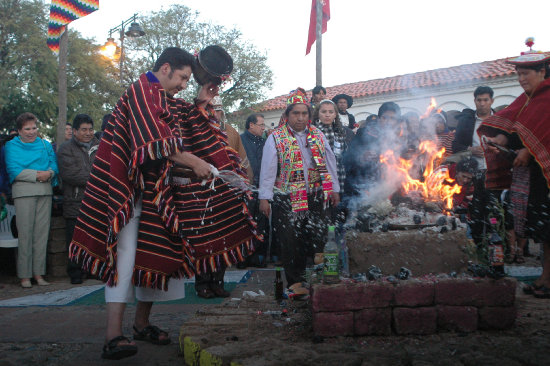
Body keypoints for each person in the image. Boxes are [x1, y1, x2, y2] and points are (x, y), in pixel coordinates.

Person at [68, 47, 257, 360]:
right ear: (166, 68)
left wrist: (202, 98)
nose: (184, 84)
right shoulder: (143, 90)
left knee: (156, 251)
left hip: (153, 190)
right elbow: (156, 142)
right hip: (124, 191)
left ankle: (141, 325)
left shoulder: (161, 97)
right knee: (124, 256)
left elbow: (184, 120)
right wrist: (194, 162)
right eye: (182, 78)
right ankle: (112, 335)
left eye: (187, 79)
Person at [478, 40, 550, 296]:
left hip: (546, 171)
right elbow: (513, 127)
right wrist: (501, 141)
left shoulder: (548, 96)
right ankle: (545, 276)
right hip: (538, 177)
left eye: (525, 73)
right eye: (518, 74)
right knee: (544, 229)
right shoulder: (526, 99)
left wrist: (529, 151)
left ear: (542, 71)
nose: (520, 79)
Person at [259, 88, 340, 292]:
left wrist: (334, 189)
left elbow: (330, 162)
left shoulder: (317, 134)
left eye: (304, 113)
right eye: (296, 113)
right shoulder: (276, 137)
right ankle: (295, 283)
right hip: (287, 197)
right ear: (287, 115)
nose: (300, 118)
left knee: (319, 237)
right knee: (291, 240)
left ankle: (321, 282)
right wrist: (264, 198)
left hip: (315, 195)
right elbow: (268, 169)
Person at [193, 95, 253, 298]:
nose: (215, 114)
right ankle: (202, 284)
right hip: (201, 193)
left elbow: (243, 163)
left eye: (218, 110)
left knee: (225, 239)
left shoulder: (231, 132)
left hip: (227, 192)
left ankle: (218, 282)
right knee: (204, 239)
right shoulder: (195, 130)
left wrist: (245, 185)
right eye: (210, 109)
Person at [5, 112, 58, 288]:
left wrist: (49, 173)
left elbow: (54, 164)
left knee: (41, 235)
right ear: (19, 131)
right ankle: (24, 276)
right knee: (25, 234)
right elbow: (13, 169)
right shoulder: (11, 147)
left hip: (45, 191)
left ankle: (38, 273)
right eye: (27, 129)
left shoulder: (45, 144)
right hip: (23, 193)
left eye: (34, 127)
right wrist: (37, 175)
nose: (31, 131)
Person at [57, 114, 99, 284]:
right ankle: (75, 272)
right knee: (75, 240)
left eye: (90, 129)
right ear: (74, 131)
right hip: (75, 202)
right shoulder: (65, 149)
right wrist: (98, 178)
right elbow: (71, 174)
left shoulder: (100, 146)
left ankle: (94, 270)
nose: (88, 133)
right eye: (84, 129)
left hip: (97, 201)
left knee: (95, 238)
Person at [239, 113, 269, 267]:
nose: (264, 128)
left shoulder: (265, 142)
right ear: (251, 125)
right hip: (244, 188)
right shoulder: (240, 140)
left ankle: (258, 256)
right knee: (244, 223)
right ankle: (243, 257)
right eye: (261, 125)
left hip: (262, 188)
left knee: (261, 222)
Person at [452, 86, 495, 170]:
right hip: (474, 171)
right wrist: (470, 150)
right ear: (475, 101)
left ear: (492, 101)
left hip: (497, 169)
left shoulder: (500, 120)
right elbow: (455, 146)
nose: (482, 104)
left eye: (486, 100)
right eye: (479, 100)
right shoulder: (466, 121)